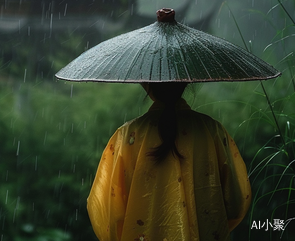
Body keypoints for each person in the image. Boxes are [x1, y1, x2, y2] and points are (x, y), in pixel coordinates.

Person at [87, 82, 251, 241]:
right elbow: (235, 202)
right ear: (186, 83)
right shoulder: (212, 130)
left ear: (146, 84)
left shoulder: (127, 136)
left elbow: (107, 212)